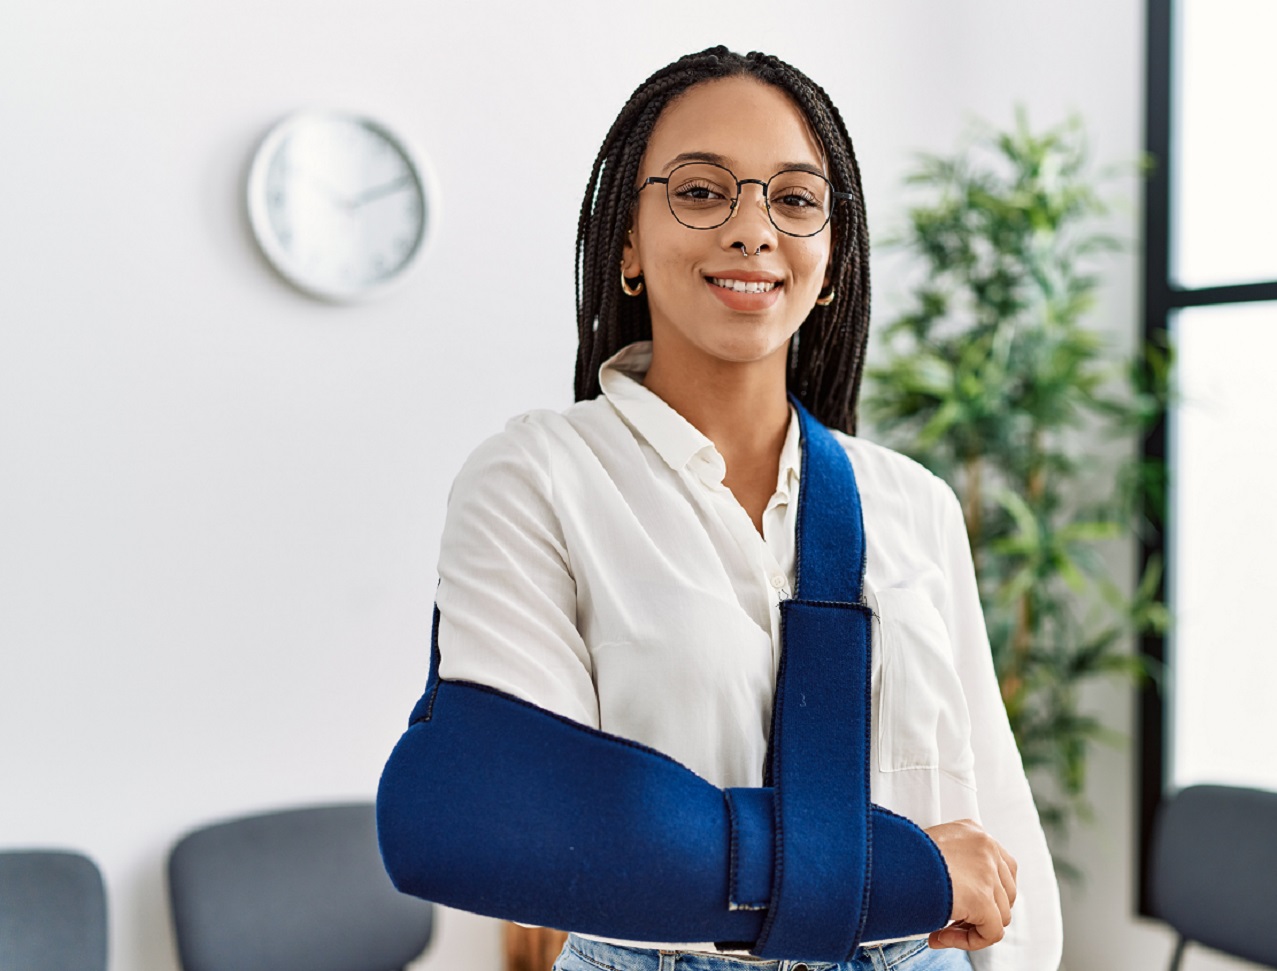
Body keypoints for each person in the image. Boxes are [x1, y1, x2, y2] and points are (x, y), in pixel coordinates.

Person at [378, 46, 1063, 971]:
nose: (752, 229)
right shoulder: (535, 477)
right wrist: (902, 872)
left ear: (829, 258)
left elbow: (996, 819)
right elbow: (507, 821)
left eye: (793, 198)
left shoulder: (912, 503)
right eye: (701, 192)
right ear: (625, 239)